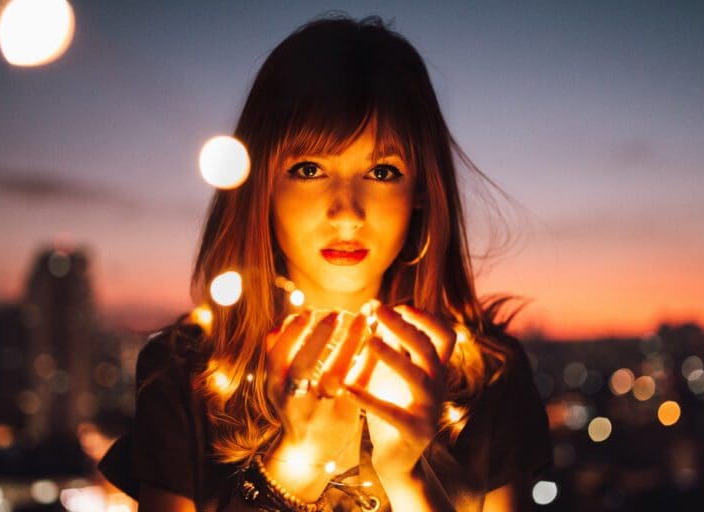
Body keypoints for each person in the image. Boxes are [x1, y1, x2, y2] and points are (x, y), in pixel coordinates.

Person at [99, 15, 552, 512]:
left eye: (382, 171)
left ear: (422, 189)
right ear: (263, 186)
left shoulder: (487, 379)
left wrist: (404, 479)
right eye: (309, 169)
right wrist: (296, 466)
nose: (347, 213)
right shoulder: (187, 374)